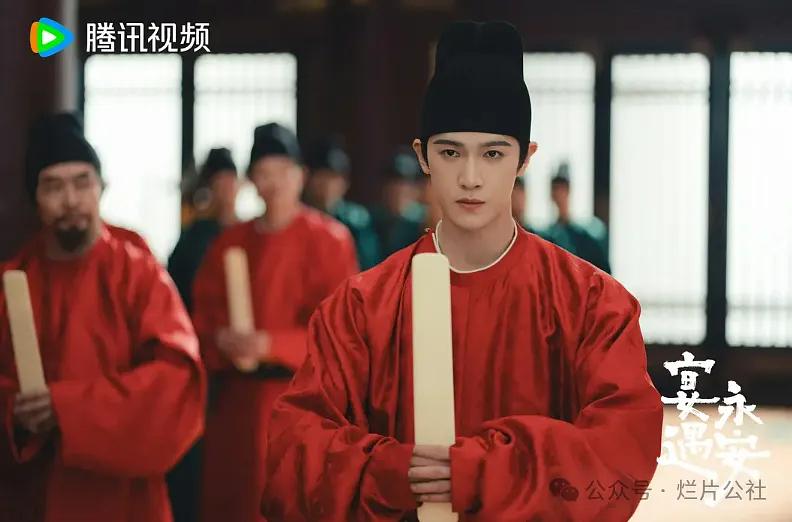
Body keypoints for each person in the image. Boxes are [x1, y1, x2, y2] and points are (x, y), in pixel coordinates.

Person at [262, 21, 662, 521]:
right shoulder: (362, 307)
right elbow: (292, 455)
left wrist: (478, 470)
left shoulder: (591, 302)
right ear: (423, 157)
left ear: (525, 159)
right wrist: (397, 471)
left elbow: (620, 452)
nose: (470, 177)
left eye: (493, 153)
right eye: (450, 152)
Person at [0, 112, 205, 522]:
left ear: (102, 187)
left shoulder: (139, 274)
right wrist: (15, 415)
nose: (70, 199)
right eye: (53, 186)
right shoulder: (11, 283)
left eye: (82, 182)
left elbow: (176, 381)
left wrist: (67, 409)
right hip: (37, 497)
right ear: (34, 197)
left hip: (127, 499)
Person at [192, 123, 359, 522]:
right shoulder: (229, 242)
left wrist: (271, 344)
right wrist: (221, 339)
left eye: (283, 172)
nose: (274, 184)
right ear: (252, 180)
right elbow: (200, 320)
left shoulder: (330, 240)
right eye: (264, 173)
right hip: (237, 403)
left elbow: (342, 332)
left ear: (301, 175)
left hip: (303, 402)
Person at [168, 147, 240, 312]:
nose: (226, 190)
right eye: (220, 183)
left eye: (230, 181)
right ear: (210, 188)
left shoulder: (249, 233)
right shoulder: (194, 237)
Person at [304, 136, 381, 270]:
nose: (327, 185)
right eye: (322, 177)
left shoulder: (356, 221)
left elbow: (369, 266)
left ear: (345, 183)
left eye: (333, 178)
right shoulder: (299, 219)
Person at [544, 162, 611, 273]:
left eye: (563, 188)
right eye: (556, 188)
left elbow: (603, 272)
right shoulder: (547, 236)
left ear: (569, 190)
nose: (559, 193)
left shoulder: (589, 234)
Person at [370, 147, 426, 259]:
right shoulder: (369, 221)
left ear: (418, 190)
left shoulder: (426, 222)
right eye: (394, 185)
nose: (400, 191)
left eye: (407, 185)